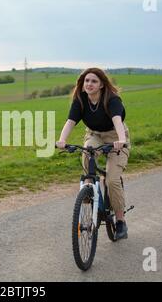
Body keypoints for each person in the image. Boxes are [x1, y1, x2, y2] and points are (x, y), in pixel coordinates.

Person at [56, 67, 131, 240]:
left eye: (94, 81)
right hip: (94, 134)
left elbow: (117, 121)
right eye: (86, 81)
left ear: (102, 85)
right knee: (88, 150)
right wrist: (62, 140)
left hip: (116, 136)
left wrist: (121, 140)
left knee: (112, 180)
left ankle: (120, 221)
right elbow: (70, 121)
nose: (89, 84)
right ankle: (89, 190)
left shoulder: (112, 100)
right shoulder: (80, 100)